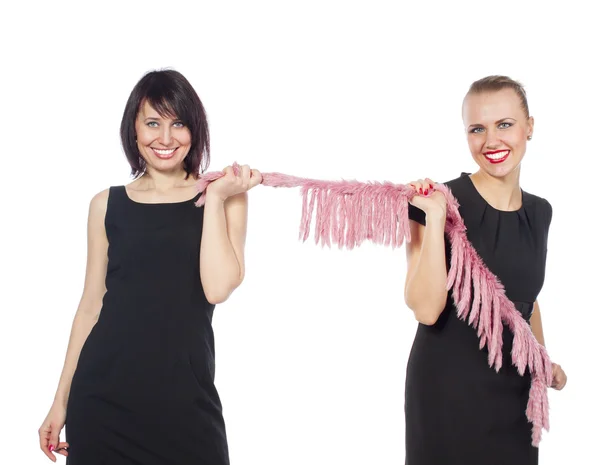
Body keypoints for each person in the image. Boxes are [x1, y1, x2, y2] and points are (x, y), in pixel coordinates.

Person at [38, 69, 261, 464]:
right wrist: (60, 402)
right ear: (134, 128)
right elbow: (90, 306)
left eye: (178, 124)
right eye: (153, 123)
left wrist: (213, 198)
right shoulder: (105, 204)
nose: (165, 138)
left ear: (195, 130)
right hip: (102, 403)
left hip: (185, 406)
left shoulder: (227, 197)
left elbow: (218, 288)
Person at [404, 75, 567, 465]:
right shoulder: (436, 201)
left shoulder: (539, 212)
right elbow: (426, 309)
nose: (492, 141)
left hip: (514, 397)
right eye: (477, 129)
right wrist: (435, 218)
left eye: (505, 125)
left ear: (530, 127)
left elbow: (525, 299)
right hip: (448, 394)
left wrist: (543, 360)